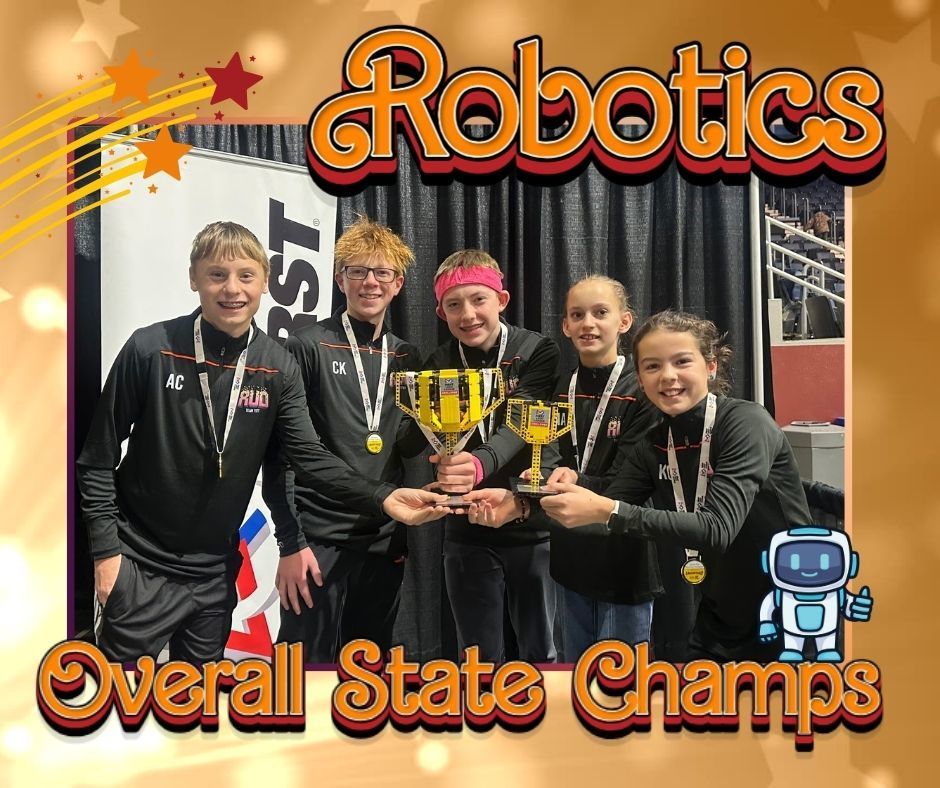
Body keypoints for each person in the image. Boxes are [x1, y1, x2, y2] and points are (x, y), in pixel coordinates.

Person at [77, 221, 446, 663]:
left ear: (264, 283)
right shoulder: (149, 349)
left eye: (245, 276)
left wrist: (385, 495)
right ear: (194, 278)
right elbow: (97, 459)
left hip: (215, 571)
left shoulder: (276, 364)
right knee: (119, 712)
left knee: (199, 715)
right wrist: (106, 555)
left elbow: (305, 454)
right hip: (140, 564)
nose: (232, 289)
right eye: (217, 275)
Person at [466, 310, 811, 662]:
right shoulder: (656, 443)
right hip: (720, 620)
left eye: (681, 362)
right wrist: (521, 505)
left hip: (794, 614)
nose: (668, 376)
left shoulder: (745, 422)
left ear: (710, 366)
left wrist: (608, 511)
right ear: (641, 378)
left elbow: (716, 528)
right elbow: (602, 513)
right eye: (652, 366)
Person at [264, 216, 427, 662]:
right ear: (340, 280)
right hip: (319, 539)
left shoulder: (408, 356)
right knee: (301, 668)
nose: (370, 282)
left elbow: (406, 443)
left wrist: (442, 450)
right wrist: (290, 542)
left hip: (383, 538)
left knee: (368, 668)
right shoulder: (306, 346)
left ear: (397, 284)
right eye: (358, 271)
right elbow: (278, 458)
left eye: (382, 273)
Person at [425, 249, 560, 663]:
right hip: (467, 526)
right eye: (454, 304)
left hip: (531, 522)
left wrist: (477, 464)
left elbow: (520, 424)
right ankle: (483, 724)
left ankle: (547, 725)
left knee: (542, 653)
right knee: (478, 657)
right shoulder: (437, 364)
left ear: (501, 300)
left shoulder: (538, 350)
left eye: (478, 299)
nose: (467, 314)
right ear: (441, 312)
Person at [542, 275, 661, 661]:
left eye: (600, 313)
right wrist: (541, 475)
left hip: (623, 561)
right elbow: (545, 452)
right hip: (569, 559)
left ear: (624, 322)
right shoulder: (559, 386)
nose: (587, 324)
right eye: (577, 315)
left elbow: (633, 481)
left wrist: (576, 479)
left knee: (620, 687)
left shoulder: (644, 390)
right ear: (565, 326)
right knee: (574, 676)